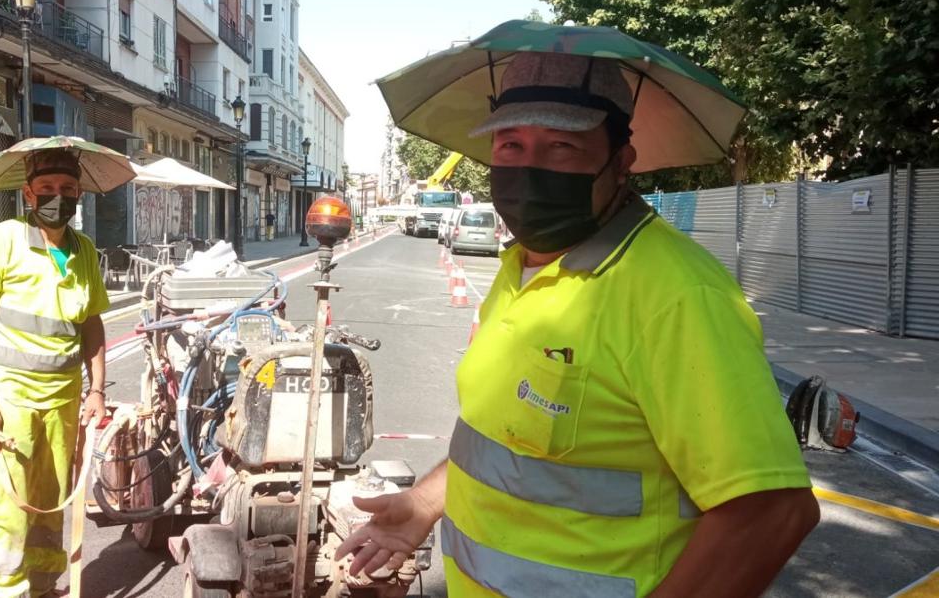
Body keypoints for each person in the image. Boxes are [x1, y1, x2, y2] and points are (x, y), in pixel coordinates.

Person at [336, 52, 819, 597]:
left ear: (621, 161)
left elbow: (771, 514)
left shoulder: (678, 295)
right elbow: (510, 443)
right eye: (510, 144)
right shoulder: (521, 266)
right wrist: (423, 504)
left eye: (562, 146)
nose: (529, 167)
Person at [0, 147, 109, 598]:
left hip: (64, 401)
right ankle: (7, 592)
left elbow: (92, 324)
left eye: (66, 190)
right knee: (7, 506)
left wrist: (97, 389)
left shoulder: (83, 250)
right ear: (28, 193)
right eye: (46, 190)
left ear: (78, 195)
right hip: (11, 398)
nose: (56, 197)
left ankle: (43, 587)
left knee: (49, 502)